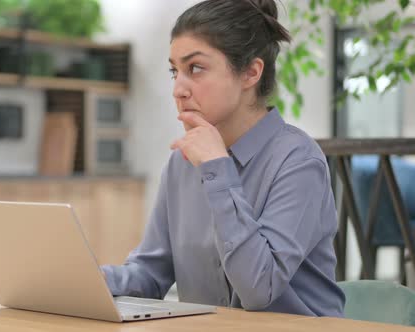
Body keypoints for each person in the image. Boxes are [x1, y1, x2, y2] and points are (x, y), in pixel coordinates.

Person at [101, 0, 345, 317]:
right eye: (175, 71)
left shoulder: (297, 160)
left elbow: (259, 289)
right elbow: (151, 274)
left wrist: (218, 170)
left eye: (196, 69)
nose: (178, 88)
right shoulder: (181, 164)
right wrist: (92, 279)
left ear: (251, 73)